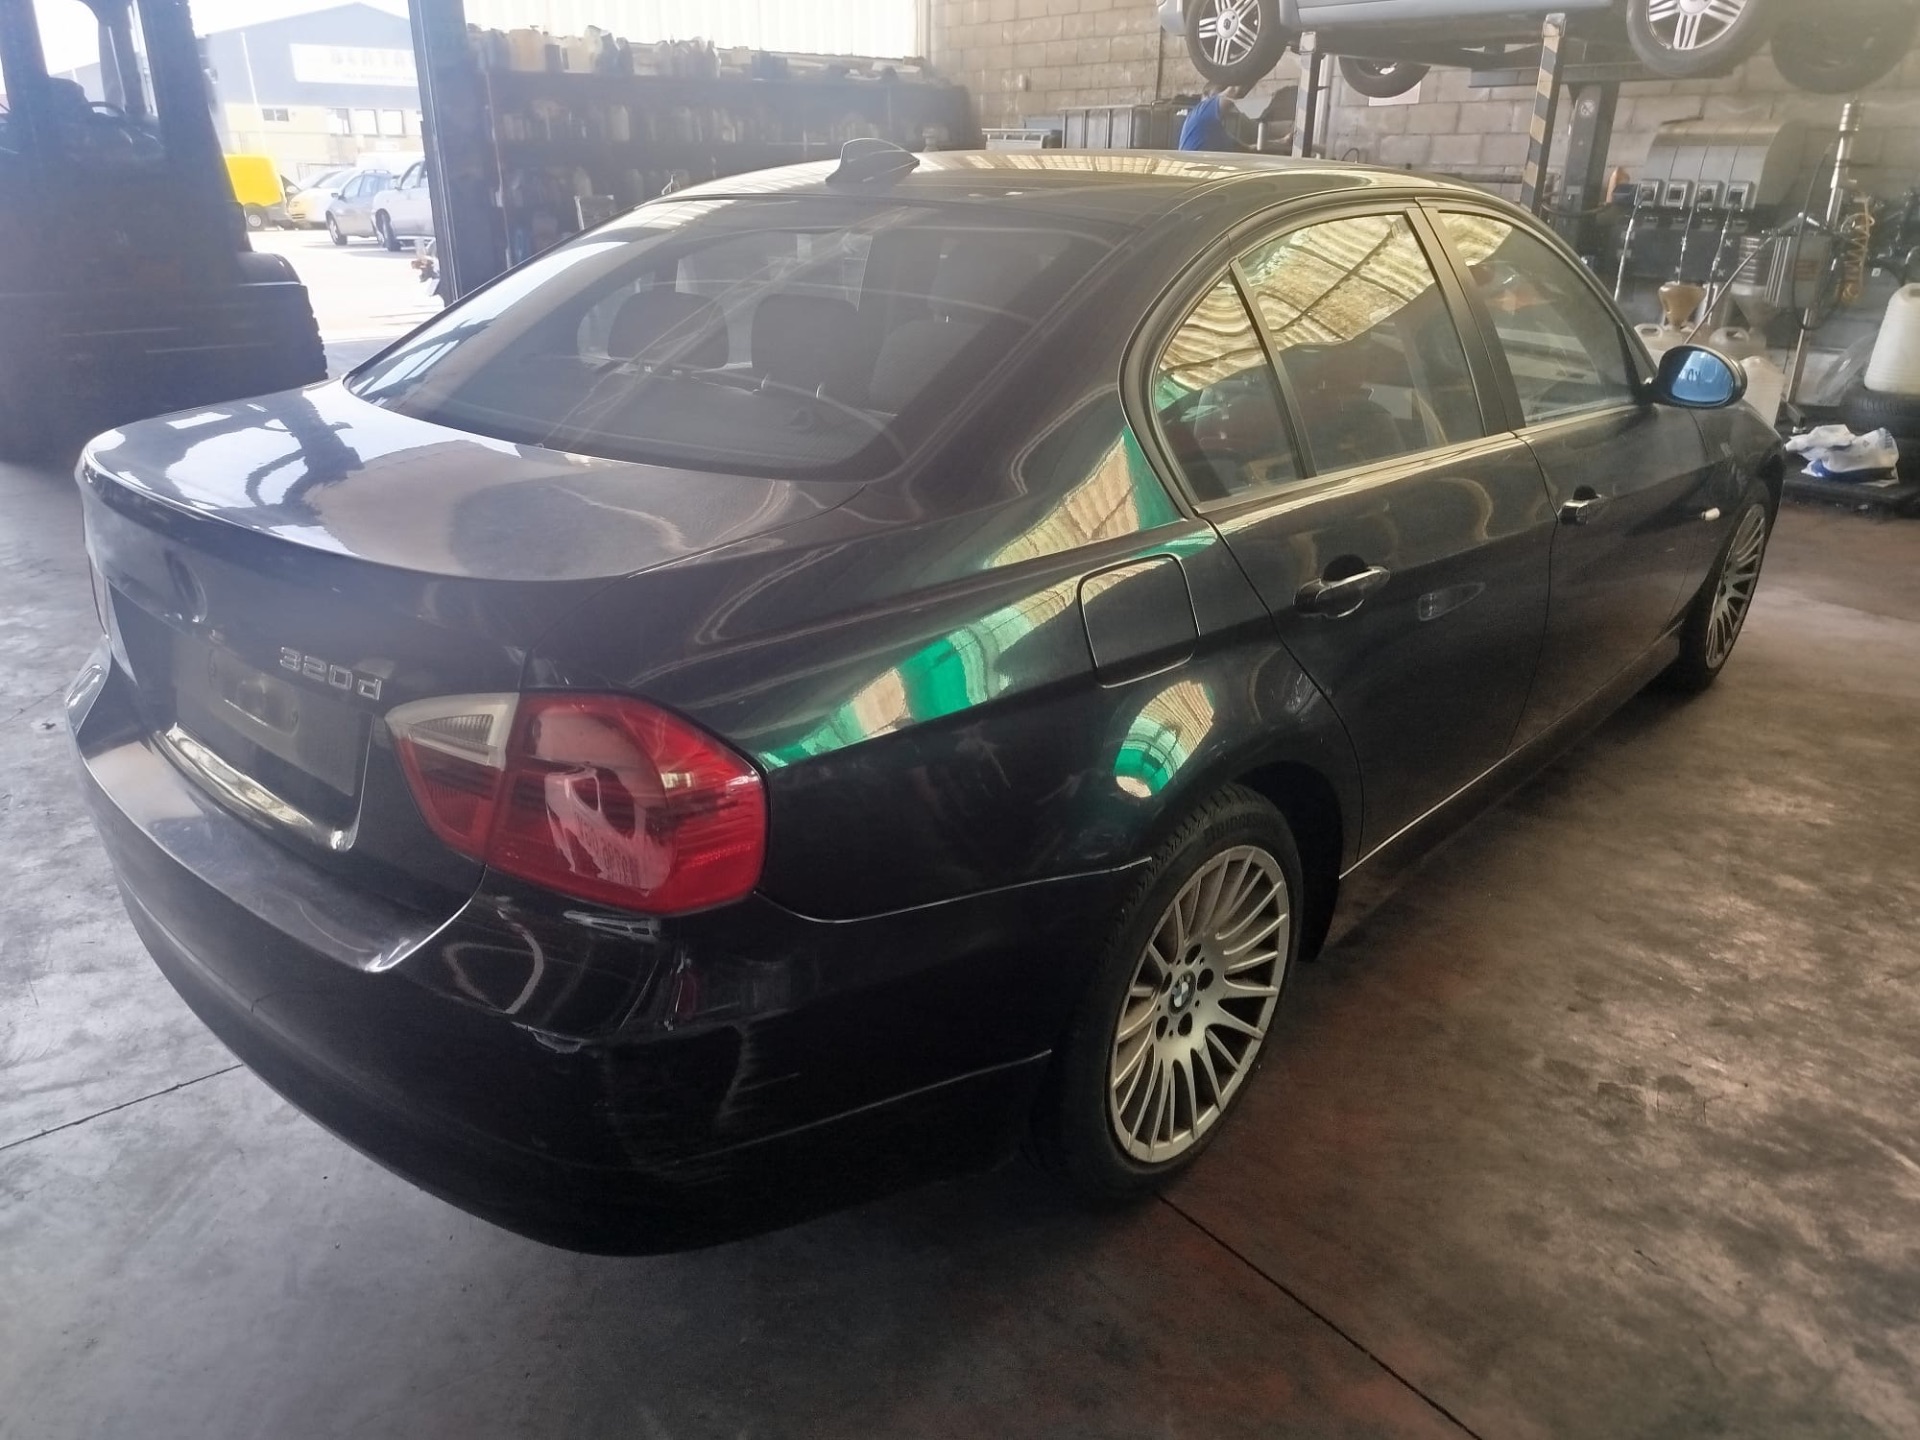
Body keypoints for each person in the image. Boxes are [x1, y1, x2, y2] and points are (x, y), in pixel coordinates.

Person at [1178, 83, 1250, 153]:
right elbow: (1234, 91)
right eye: (1216, 96)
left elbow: (1234, 144)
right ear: (1206, 96)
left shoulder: (1214, 127)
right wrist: (1253, 75)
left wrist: (1249, 148)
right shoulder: (1202, 111)